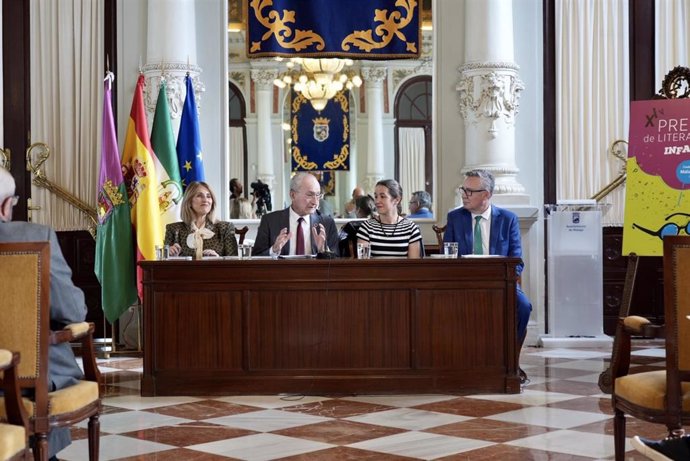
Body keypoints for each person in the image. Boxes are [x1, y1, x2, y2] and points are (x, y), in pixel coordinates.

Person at [0, 167, 86, 460]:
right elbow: (72, 312)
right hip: (27, 378)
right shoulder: (37, 236)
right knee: (39, 375)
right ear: (6, 205)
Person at [443, 169, 532, 384]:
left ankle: (511, 361)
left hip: (501, 283)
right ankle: (456, 363)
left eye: (469, 191)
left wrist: (504, 282)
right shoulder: (455, 217)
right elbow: (448, 256)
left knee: (523, 306)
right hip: (463, 284)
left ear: (486, 195)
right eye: (463, 189)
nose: (464, 194)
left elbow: (516, 259)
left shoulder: (507, 219)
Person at [253, 172, 340, 256]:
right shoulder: (270, 221)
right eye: (310, 195)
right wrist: (274, 250)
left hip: (314, 271)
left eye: (318, 195)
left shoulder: (327, 223)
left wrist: (323, 251)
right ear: (293, 195)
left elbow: (337, 261)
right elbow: (256, 258)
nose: (315, 202)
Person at [165, 181, 238, 258]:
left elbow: (234, 264)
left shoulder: (225, 228)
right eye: (200, 196)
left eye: (208, 196)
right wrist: (170, 256)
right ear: (189, 201)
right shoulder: (173, 229)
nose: (205, 200)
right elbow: (163, 266)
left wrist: (217, 259)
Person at [356, 179, 423, 258]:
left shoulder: (411, 228)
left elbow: (413, 266)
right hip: (374, 271)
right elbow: (363, 263)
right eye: (376, 196)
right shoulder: (366, 227)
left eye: (382, 196)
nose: (377, 201)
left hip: (403, 271)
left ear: (397, 200)